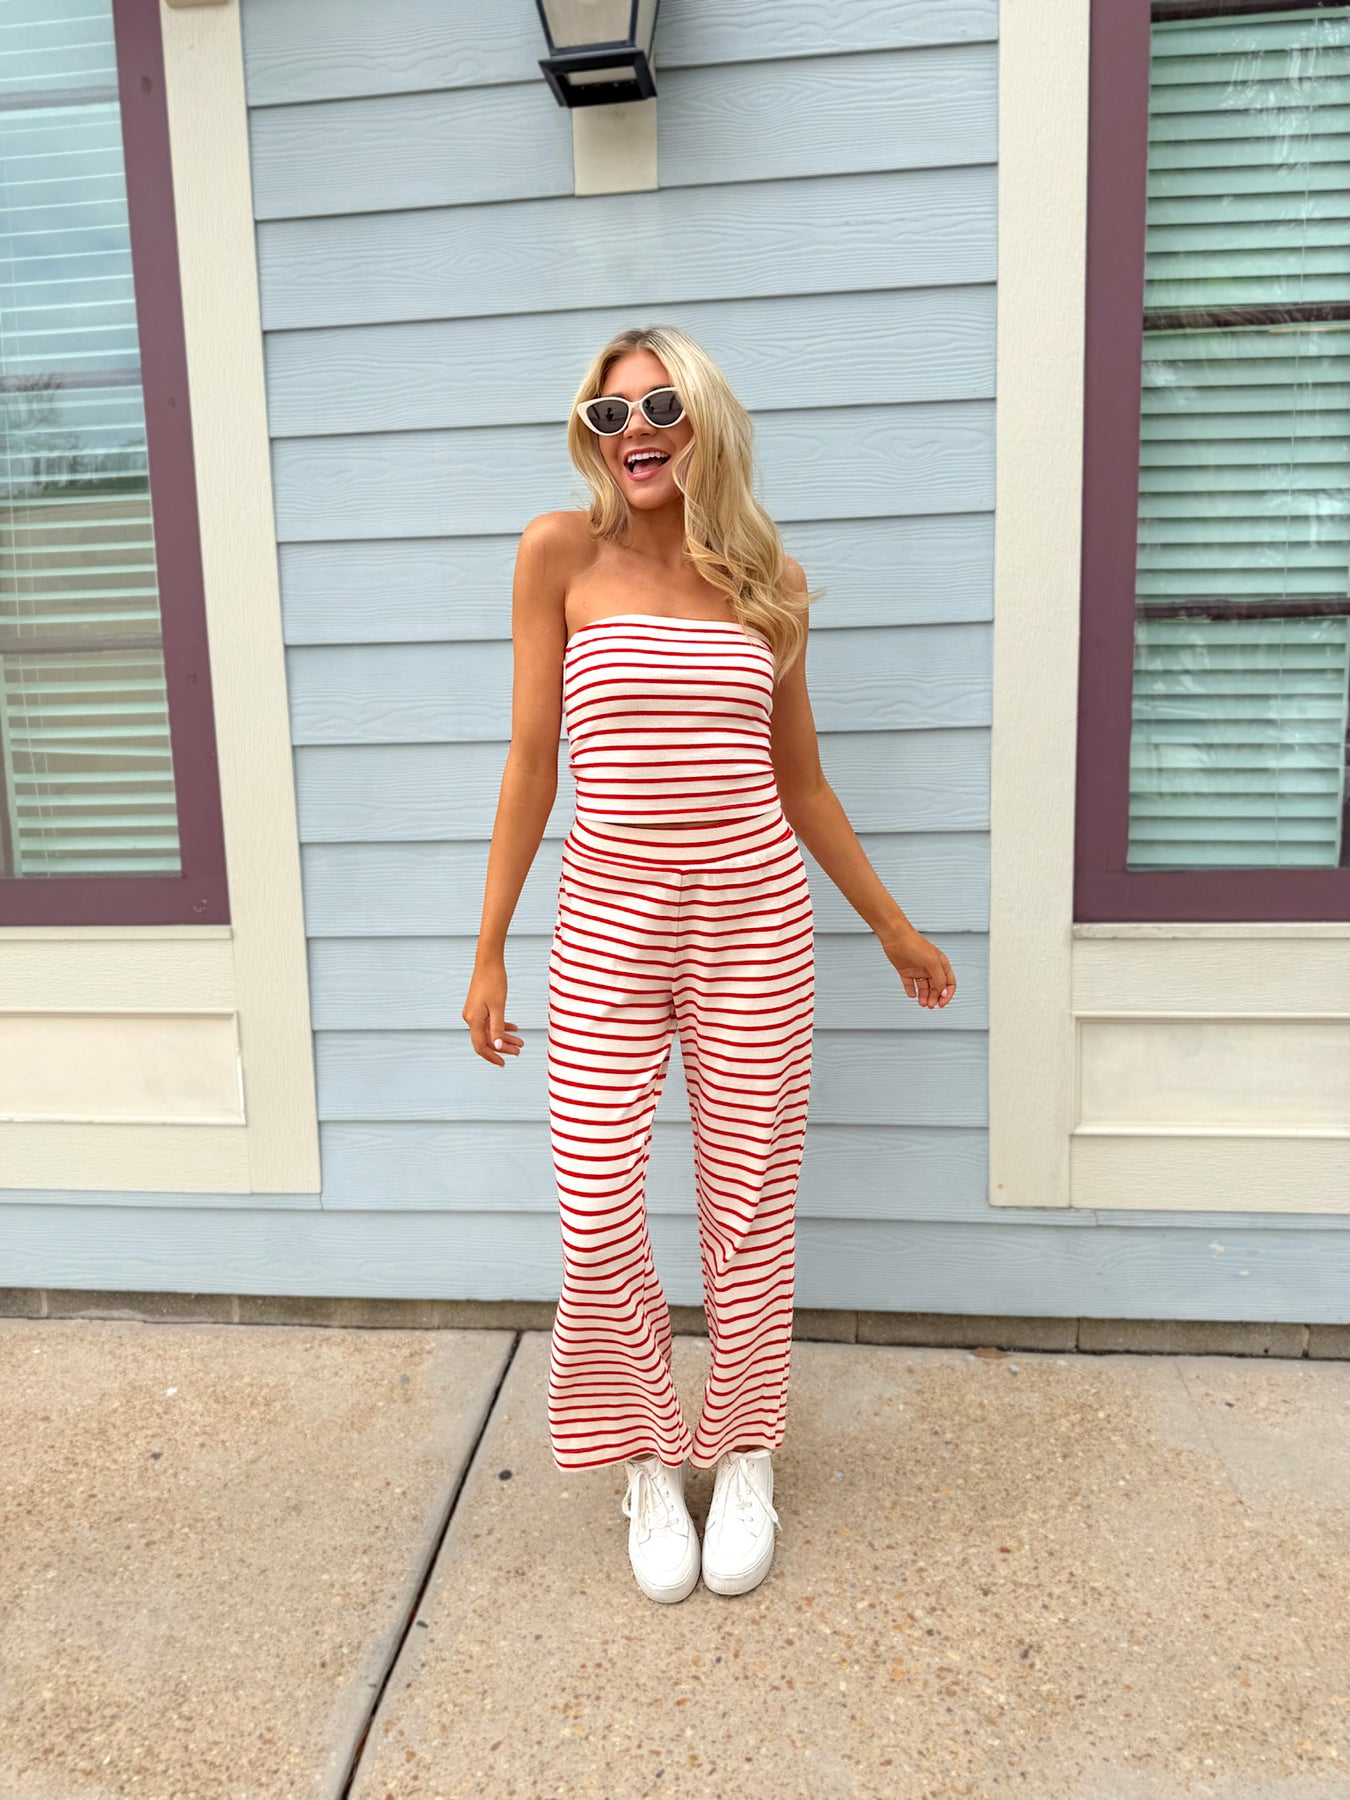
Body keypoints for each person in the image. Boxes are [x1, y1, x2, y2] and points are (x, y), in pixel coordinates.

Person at [463, 325, 956, 1604]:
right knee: (595, 1206)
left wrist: (892, 925)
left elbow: (803, 782)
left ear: (706, 420)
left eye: (658, 406)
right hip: (607, 926)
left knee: (748, 1207)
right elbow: (532, 761)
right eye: (607, 416)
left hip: (753, 927)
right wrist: (490, 947)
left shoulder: (767, 580)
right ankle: (643, 1453)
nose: (633, 433)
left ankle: (741, 1449)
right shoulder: (558, 554)